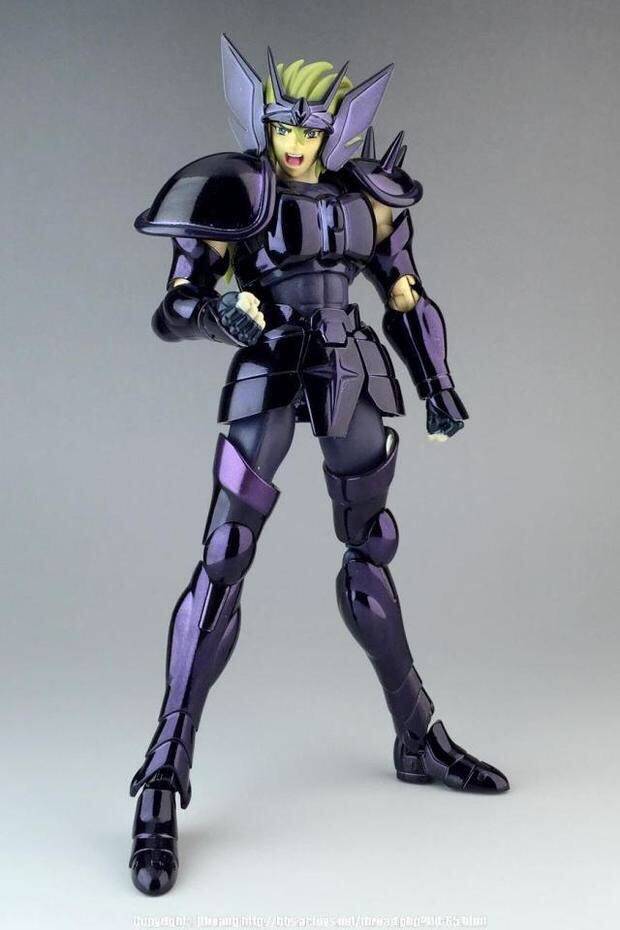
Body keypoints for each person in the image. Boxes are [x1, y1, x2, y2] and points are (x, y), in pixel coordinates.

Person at [129, 34, 509, 897]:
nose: (295, 144)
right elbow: (173, 307)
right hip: (269, 371)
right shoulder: (239, 193)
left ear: (338, 127)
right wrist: (218, 316)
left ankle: (416, 734)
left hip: (351, 374)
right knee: (224, 557)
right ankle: (163, 768)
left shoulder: (369, 200)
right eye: (283, 126)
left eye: (310, 129)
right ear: (262, 122)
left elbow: (406, 294)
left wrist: (438, 385)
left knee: (372, 547)